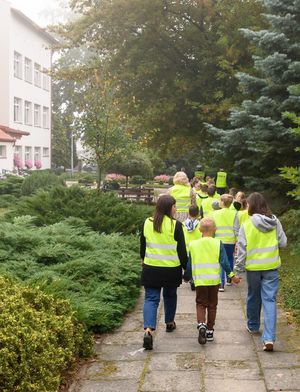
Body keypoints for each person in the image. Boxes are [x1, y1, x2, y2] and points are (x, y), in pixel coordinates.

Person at [234, 192, 287, 352]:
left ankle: (253, 326)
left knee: (253, 296)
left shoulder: (247, 225)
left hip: (254, 269)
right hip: (271, 267)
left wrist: (237, 270)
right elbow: (283, 243)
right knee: (270, 300)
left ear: (251, 206)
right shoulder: (275, 221)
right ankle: (269, 338)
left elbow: (241, 251)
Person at [140, 194, 188, 350]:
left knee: (151, 298)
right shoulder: (176, 226)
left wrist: (143, 259)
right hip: (170, 270)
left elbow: (143, 245)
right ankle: (169, 322)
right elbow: (182, 251)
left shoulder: (147, 223)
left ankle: (148, 330)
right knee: (170, 295)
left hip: (151, 268)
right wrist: (186, 267)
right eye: (174, 206)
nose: (176, 209)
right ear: (169, 208)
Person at [189, 218, 240, 344]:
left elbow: (189, 263)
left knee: (200, 303)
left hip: (200, 280)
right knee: (212, 305)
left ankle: (201, 324)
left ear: (199, 229)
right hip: (213, 281)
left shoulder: (193, 244)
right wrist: (232, 276)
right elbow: (224, 262)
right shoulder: (218, 243)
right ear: (215, 230)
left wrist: (187, 276)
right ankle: (210, 331)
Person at [211, 194, 237, 291]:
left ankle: (221, 284)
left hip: (219, 240)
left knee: (221, 262)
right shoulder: (234, 214)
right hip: (231, 240)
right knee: (230, 258)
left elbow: (213, 227)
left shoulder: (215, 213)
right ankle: (229, 279)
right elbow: (236, 228)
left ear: (222, 202)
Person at [183, 205, 202, 291]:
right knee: (196, 265)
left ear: (188, 213)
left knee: (189, 265)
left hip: (187, 248)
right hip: (197, 248)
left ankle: (190, 279)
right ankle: (195, 280)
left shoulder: (183, 224)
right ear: (198, 213)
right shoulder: (200, 224)